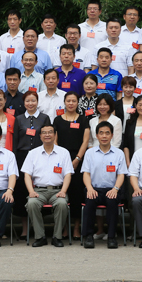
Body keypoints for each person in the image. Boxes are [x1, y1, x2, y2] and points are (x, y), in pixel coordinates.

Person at [23, 124, 73, 247]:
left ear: (55, 135)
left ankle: (57, 237)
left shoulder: (64, 152)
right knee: (32, 203)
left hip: (58, 191)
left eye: (50, 132)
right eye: (44, 132)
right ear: (40, 136)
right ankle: (40, 237)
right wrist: (31, 191)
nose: (47, 135)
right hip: (38, 191)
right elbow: (27, 175)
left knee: (62, 204)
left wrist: (63, 191)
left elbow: (68, 174)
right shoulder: (33, 153)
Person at [80, 121, 128, 249]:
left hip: (112, 189)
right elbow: (86, 173)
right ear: (97, 135)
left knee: (112, 202)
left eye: (107, 133)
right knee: (90, 201)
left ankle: (111, 237)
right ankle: (88, 236)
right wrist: (89, 188)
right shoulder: (90, 153)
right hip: (94, 188)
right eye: (101, 133)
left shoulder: (119, 153)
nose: (104, 136)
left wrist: (115, 189)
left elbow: (121, 174)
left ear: (112, 135)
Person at [12, 91, 51, 238]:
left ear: (37, 102)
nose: (30, 103)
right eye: (27, 101)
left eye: (33, 100)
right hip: (22, 157)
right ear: (24, 103)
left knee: (40, 188)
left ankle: (39, 228)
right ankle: (25, 228)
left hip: (41, 156)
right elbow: (15, 141)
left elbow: (49, 138)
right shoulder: (19, 119)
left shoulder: (44, 118)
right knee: (23, 191)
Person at [53, 92, 90, 239]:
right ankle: (64, 227)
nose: (71, 103)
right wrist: (64, 160)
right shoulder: (57, 120)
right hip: (60, 160)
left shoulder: (83, 119)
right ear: (64, 102)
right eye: (68, 101)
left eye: (74, 101)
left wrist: (77, 159)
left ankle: (76, 228)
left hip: (78, 161)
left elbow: (85, 141)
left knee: (76, 194)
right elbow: (55, 141)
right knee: (62, 193)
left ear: (77, 103)